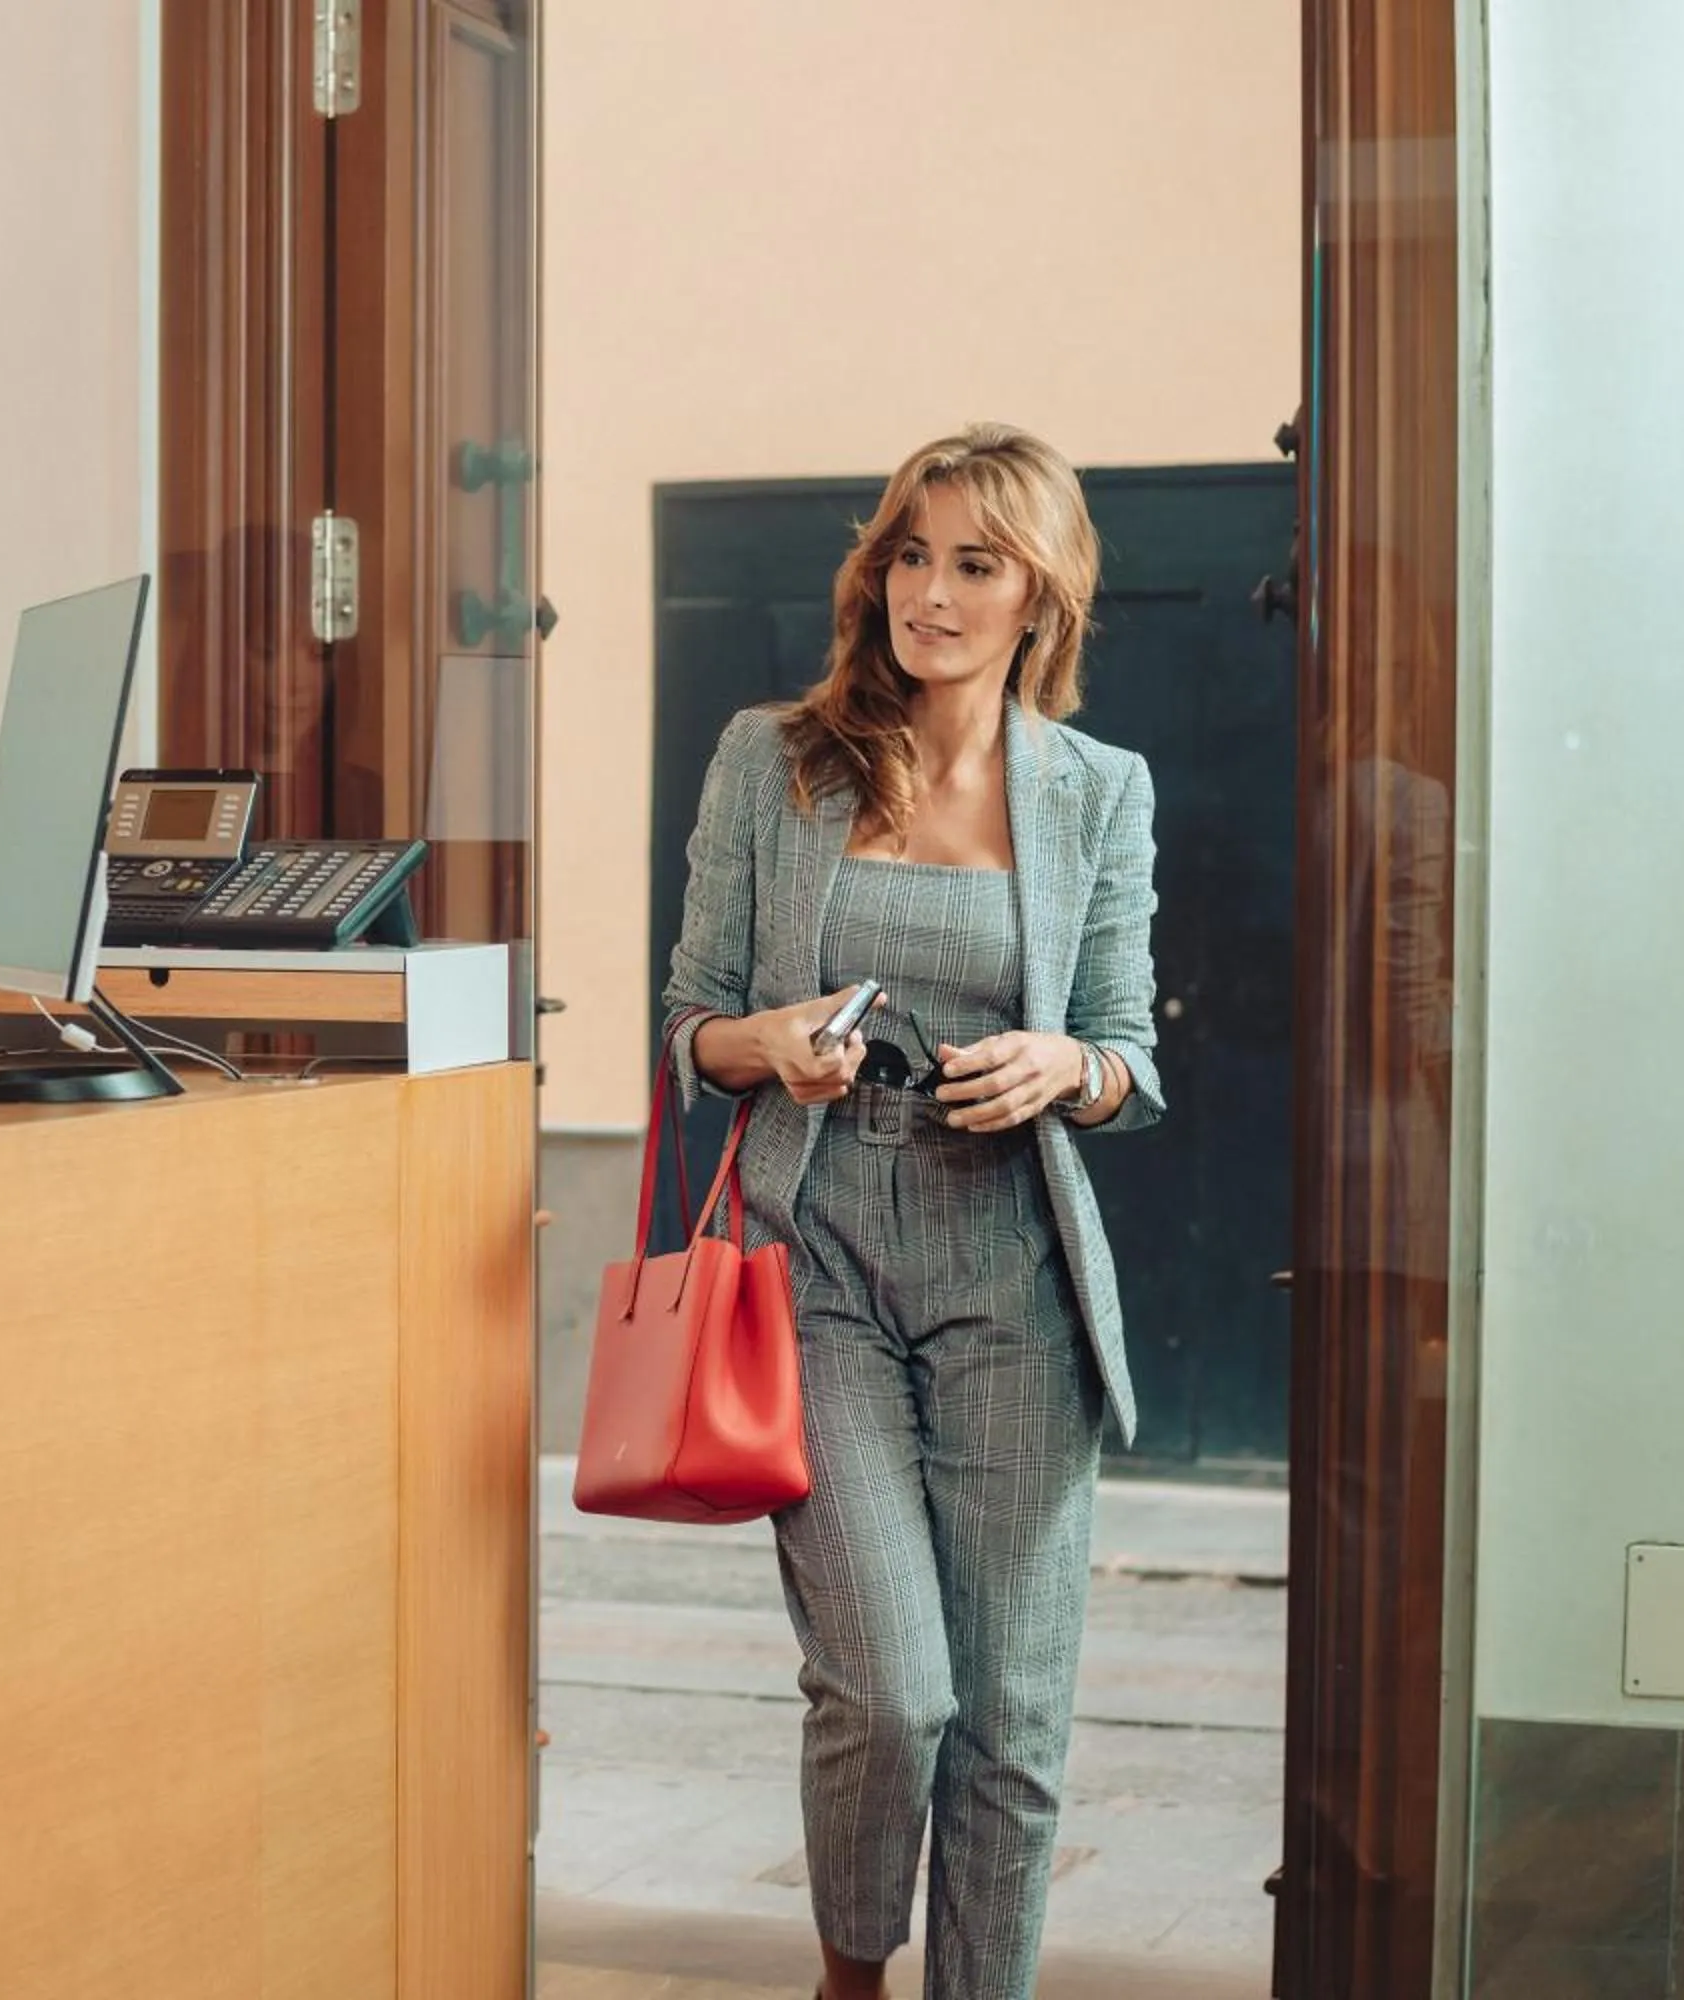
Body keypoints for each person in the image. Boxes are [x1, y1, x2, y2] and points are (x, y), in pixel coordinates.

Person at [658, 423, 1163, 2000]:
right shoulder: (776, 759)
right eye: (910, 555)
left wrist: (1062, 1064)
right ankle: (852, 1981)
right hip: (819, 1252)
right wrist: (774, 1045)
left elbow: (1134, 1058)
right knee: (890, 1691)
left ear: (1041, 597)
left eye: (974, 564)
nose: (929, 595)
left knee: (1012, 1716)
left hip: (1012, 1259)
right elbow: (689, 1027)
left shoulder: (1098, 791)